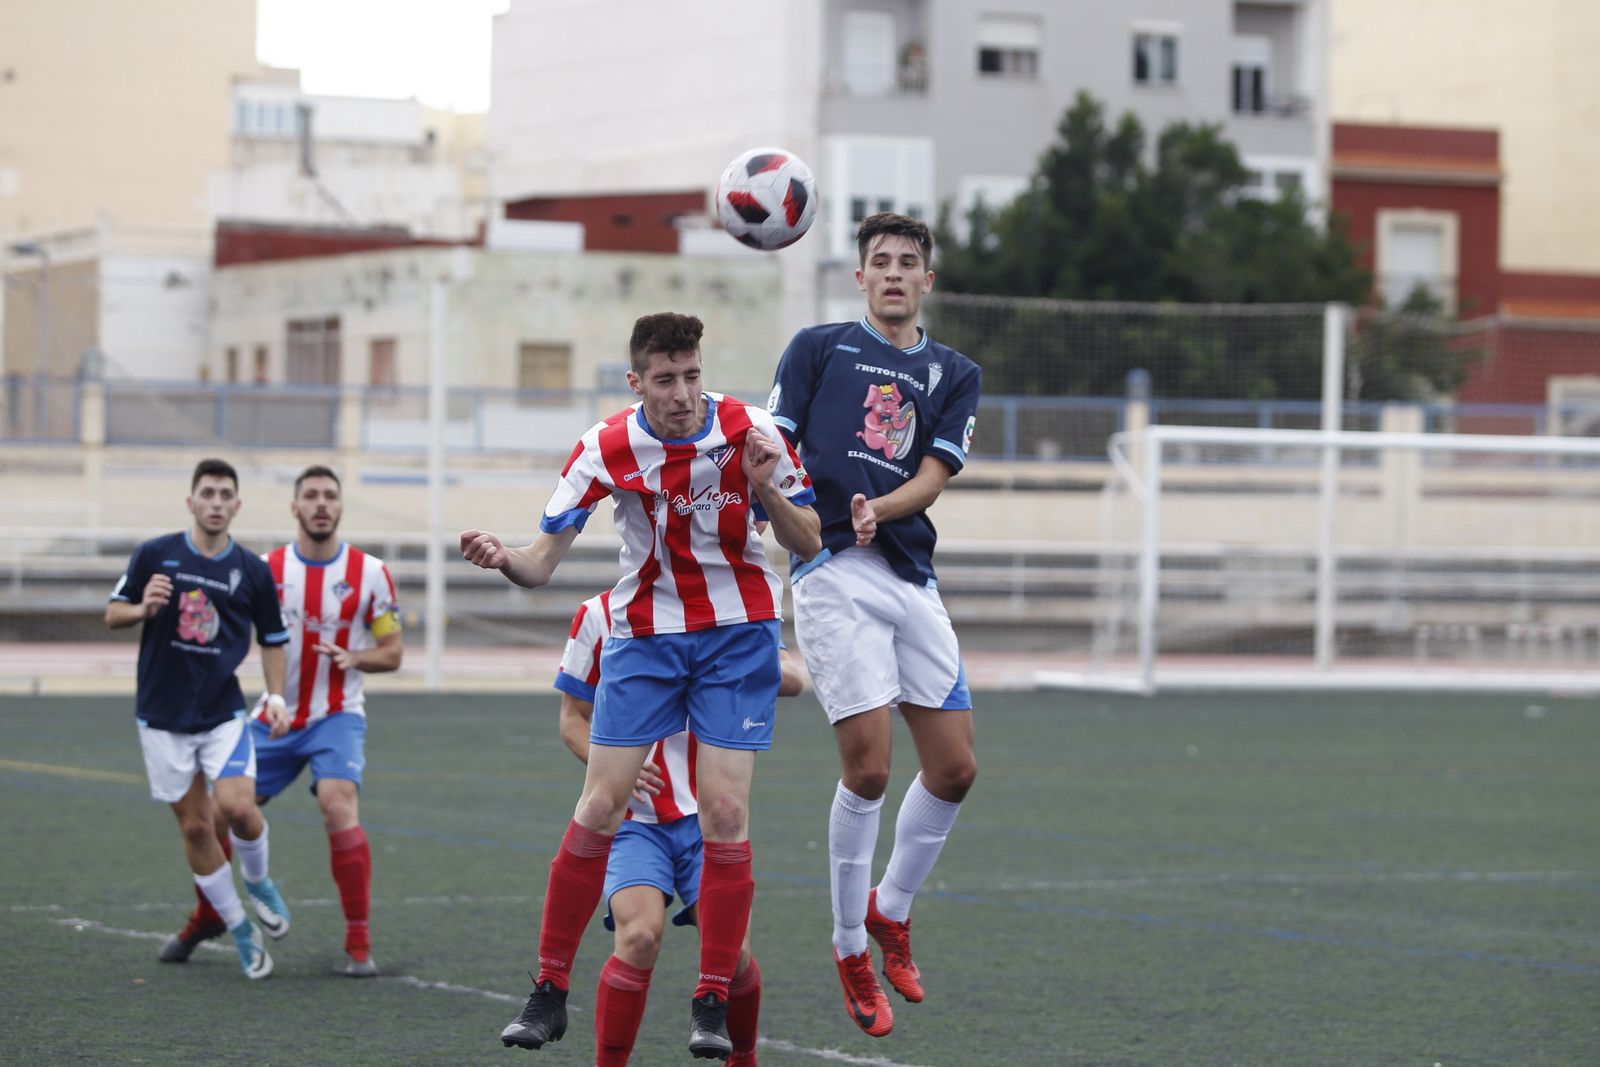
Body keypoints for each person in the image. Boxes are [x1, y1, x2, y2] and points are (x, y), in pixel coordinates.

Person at [461, 311, 820, 1059]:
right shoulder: (605, 444)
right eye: (666, 380)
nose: (684, 393)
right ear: (636, 382)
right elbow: (540, 563)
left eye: (692, 375)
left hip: (736, 632)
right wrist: (502, 555)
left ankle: (713, 997)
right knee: (599, 803)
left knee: (725, 811)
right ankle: (549, 988)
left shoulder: (753, 429)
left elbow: (809, 539)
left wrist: (768, 491)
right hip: (646, 636)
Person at [767, 212, 983, 1037]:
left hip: (910, 574)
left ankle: (892, 909)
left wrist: (879, 507)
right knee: (868, 770)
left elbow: (933, 474)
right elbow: (774, 449)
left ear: (927, 280)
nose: (894, 272)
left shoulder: (954, 371)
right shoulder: (816, 348)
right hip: (831, 572)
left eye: (908, 262)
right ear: (859, 277)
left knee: (957, 768)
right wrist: (780, 510)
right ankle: (852, 944)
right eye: (880, 261)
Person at [155, 465, 404, 976]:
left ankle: (359, 942)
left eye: (329, 496)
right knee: (216, 815)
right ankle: (209, 915)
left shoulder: (371, 574)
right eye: (309, 496)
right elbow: (217, 632)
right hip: (272, 717)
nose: (319, 504)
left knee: (338, 805)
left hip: (336, 716)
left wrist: (356, 658)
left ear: (339, 507)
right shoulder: (263, 570)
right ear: (294, 508)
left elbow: (393, 653)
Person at [555, 591, 803, 1067]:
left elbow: (792, 678)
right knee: (639, 938)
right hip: (633, 824)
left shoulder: (735, 610)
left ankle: (743, 1057)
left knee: (732, 957)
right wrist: (610, 768)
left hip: (708, 827)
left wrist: (743, 669)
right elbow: (572, 718)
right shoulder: (599, 614)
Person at [105, 457, 295, 980]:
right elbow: (112, 612)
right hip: (161, 716)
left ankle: (257, 882)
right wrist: (143, 608)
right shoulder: (155, 554)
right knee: (194, 827)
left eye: (224, 495)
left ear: (236, 505)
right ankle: (239, 932)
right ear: (191, 502)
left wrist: (275, 696)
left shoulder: (253, 571)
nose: (215, 503)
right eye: (206, 494)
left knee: (237, 808)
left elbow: (274, 640)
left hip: (222, 712)